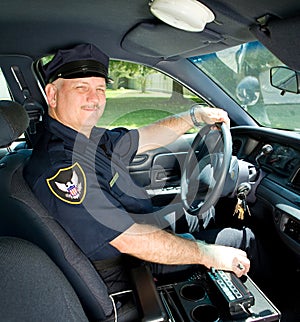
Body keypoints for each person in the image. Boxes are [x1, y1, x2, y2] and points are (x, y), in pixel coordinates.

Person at [24, 43, 257, 294]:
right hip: (134, 268)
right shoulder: (61, 167)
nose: (94, 99)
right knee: (241, 241)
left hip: (140, 227)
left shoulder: (86, 138)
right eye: (82, 88)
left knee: (203, 213)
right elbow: (129, 239)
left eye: (100, 88)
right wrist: (209, 254)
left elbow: (144, 137)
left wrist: (195, 115)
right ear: (52, 94)